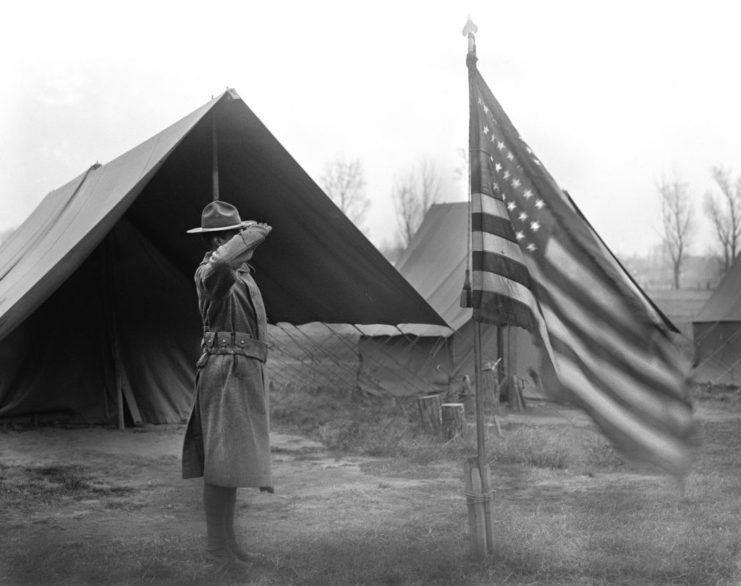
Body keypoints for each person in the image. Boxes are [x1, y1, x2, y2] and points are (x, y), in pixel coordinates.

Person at [182, 200, 273, 569]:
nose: (243, 243)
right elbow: (221, 263)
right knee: (221, 464)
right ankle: (215, 550)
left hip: (243, 372)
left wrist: (243, 237)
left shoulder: (243, 272)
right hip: (224, 371)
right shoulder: (212, 271)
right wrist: (254, 231)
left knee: (231, 465)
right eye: (234, 237)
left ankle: (229, 544)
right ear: (220, 239)